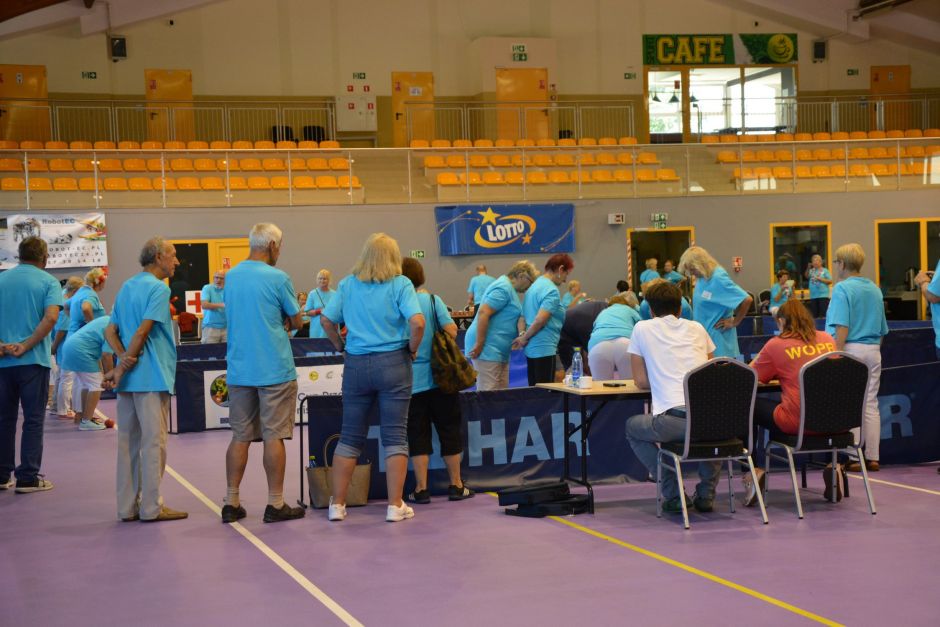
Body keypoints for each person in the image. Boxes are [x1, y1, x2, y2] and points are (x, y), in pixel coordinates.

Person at [321, 233, 425, 523]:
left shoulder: (347, 284)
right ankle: (395, 505)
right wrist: (412, 349)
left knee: (350, 436)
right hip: (394, 364)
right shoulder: (401, 284)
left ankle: (337, 505)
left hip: (356, 364)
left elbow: (326, 320)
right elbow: (417, 323)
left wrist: (340, 346)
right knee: (395, 436)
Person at [221, 223, 306, 524]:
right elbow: (297, 320)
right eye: (279, 246)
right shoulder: (278, 277)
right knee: (274, 436)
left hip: (240, 368)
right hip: (274, 368)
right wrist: (287, 319)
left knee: (240, 436)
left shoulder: (231, 277)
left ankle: (231, 502)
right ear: (271, 245)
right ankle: (275, 503)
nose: (279, 252)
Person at [104, 237, 188, 522]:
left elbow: (110, 331)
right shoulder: (159, 289)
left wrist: (121, 362)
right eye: (172, 255)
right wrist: (122, 366)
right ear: (158, 257)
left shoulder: (127, 286)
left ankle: (126, 508)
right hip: (151, 377)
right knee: (153, 444)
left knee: (127, 444)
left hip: (129, 382)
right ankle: (151, 507)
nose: (176, 261)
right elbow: (142, 332)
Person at [625, 281, 718, 514]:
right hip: (711, 417)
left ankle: (674, 494)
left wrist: (661, 378)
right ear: (680, 308)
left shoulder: (641, 328)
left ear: (650, 310)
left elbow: (640, 381)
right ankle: (706, 494)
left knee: (632, 428)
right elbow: (711, 374)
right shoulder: (698, 328)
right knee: (712, 427)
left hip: (674, 420)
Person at [747, 301, 838, 504]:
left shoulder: (776, 344)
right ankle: (833, 467)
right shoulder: (827, 339)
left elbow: (749, 376)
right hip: (835, 421)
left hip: (798, 422)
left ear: (781, 321)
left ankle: (753, 472)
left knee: (750, 406)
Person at [401, 258, 472, 504]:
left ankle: (421, 489)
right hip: (441, 379)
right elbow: (452, 330)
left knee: (417, 435)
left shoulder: (397, 303)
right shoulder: (432, 301)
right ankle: (456, 485)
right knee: (449, 430)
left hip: (410, 381)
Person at [0, 237, 63, 494]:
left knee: (4, 419)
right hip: (33, 362)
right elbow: (51, 317)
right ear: (45, 258)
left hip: (3, 362)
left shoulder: (2, 279)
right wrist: (25, 346)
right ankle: (27, 477)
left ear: (20, 255)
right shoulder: (49, 282)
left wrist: (2, 345)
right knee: (33, 420)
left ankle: (1, 475)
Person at [825, 243, 888, 473]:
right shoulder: (875, 289)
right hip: (873, 349)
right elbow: (882, 329)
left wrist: (837, 354)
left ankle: (853, 457)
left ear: (842, 264)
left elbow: (842, 325)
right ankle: (873, 457)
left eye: (836, 262)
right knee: (870, 402)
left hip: (851, 349)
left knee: (850, 402)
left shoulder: (842, 289)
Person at [465, 260, 538, 390]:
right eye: (530, 281)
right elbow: (483, 313)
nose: (530, 286)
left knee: (501, 393)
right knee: (489, 392)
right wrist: (479, 343)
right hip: (487, 348)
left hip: (498, 350)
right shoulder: (503, 288)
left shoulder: (510, 290)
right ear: (521, 276)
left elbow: (517, 317)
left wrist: (521, 334)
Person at [679, 246, 752, 359]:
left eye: (692, 269)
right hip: (704, 341)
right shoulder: (702, 277)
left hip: (718, 343)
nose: (691, 273)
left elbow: (747, 300)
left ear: (700, 264)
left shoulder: (718, 278)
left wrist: (734, 322)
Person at [515, 254, 574, 386]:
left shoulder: (533, 287)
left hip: (531, 348)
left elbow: (522, 317)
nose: (565, 280)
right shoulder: (551, 290)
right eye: (566, 274)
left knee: (534, 389)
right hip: (544, 347)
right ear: (560, 269)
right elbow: (540, 320)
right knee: (545, 391)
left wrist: (523, 335)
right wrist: (524, 338)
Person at [59, 316, 115, 431]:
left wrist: (103, 374)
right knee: (96, 385)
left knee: (86, 385)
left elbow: (99, 355)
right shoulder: (114, 326)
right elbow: (106, 355)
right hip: (80, 350)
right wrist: (110, 378)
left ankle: (83, 417)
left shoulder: (106, 319)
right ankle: (86, 421)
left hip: (70, 347)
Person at [49, 276, 84, 419]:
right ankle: (64, 409)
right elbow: (62, 329)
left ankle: (56, 407)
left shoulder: (62, 297)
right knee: (67, 377)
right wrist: (54, 347)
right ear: (75, 291)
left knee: (60, 377)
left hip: (61, 345)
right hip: (64, 344)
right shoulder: (67, 304)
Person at [587, 291, 641, 380]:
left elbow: (594, 328)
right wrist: (635, 306)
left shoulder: (603, 312)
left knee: (600, 386)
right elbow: (641, 324)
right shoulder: (630, 310)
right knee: (630, 384)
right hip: (625, 343)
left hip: (598, 345)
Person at [557, 298, 608, 375]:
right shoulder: (608, 310)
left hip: (572, 321)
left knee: (572, 360)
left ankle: (576, 376)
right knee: (592, 354)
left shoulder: (603, 307)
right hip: (579, 321)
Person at [68, 267, 107, 335]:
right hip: (83, 337)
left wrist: (76, 319)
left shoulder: (81, 291)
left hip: (73, 335)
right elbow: (86, 308)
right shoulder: (91, 294)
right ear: (100, 283)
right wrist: (91, 327)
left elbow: (66, 305)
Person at [303, 269, 335, 339]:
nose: (322, 281)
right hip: (316, 329)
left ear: (329, 280)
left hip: (332, 328)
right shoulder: (312, 294)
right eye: (320, 278)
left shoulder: (334, 294)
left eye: (325, 279)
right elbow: (307, 312)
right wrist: (320, 311)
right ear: (317, 280)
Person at [200, 270, 227, 344]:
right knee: (210, 351)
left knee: (227, 351)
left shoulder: (229, 289)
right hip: (210, 327)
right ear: (213, 278)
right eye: (216, 277)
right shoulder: (207, 288)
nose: (218, 280)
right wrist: (222, 305)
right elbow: (204, 305)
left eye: (221, 278)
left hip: (226, 327)